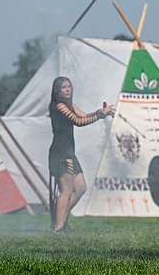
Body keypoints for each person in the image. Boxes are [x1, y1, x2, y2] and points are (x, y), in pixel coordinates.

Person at [48, 76, 114, 233]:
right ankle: (58, 228)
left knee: (80, 187)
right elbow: (79, 122)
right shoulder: (59, 106)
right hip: (61, 153)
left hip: (68, 152)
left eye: (69, 86)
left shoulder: (69, 105)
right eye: (63, 87)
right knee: (66, 190)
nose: (67, 89)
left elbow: (83, 116)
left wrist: (100, 112)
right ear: (57, 90)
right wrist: (99, 115)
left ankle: (61, 220)